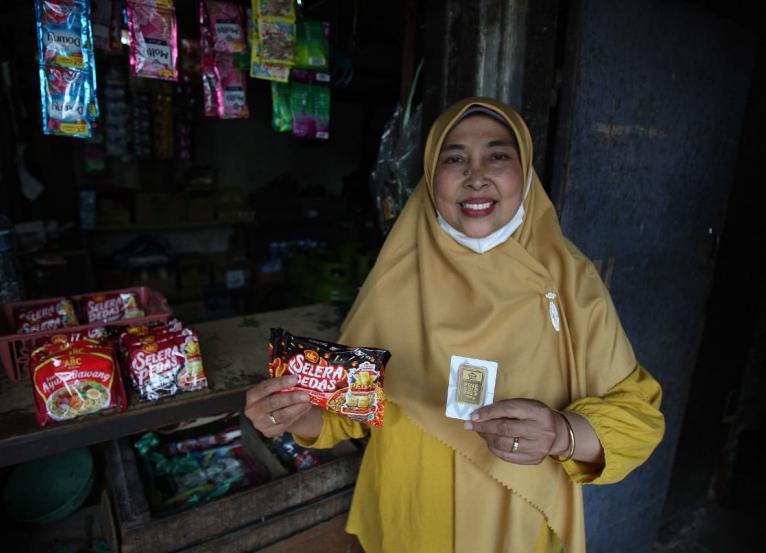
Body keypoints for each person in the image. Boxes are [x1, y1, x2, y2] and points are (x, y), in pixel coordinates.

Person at [245, 97, 665, 553]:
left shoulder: (571, 283)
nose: (476, 174)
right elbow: (348, 411)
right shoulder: (395, 280)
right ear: (430, 176)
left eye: (498, 155)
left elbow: (639, 419)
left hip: (512, 529)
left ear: (525, 173)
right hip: (408, 516)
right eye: (455, 158)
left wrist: (562, 433)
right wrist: (290, 412)